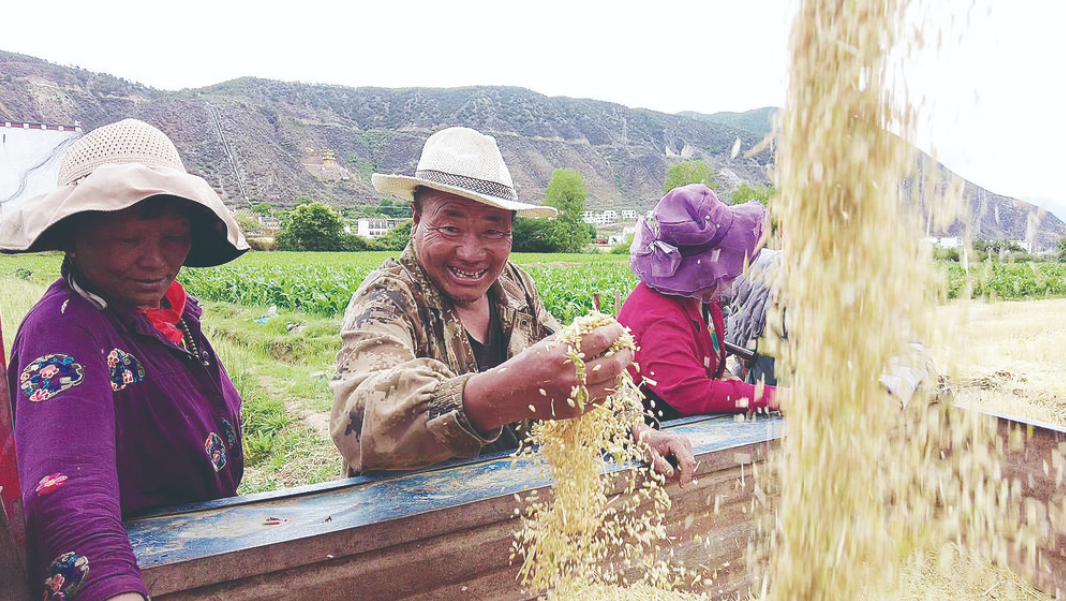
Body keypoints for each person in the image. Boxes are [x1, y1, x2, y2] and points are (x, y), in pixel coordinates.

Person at [330, 127, 695, 483]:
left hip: (509, 498)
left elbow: (577, 371)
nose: (471, 253)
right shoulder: (388, 297)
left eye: (492, 231)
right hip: (414, 510)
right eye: (450, 228)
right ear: (416, 219)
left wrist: (636, 431)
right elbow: (359, 421)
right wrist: (505, 393)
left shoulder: (514, 285)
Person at [0, 119, 250, 601]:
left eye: (173, 237)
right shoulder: (66, 330)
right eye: (127, 239)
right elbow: (67, 497)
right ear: (74, 237)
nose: (155, 260)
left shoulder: (171, 316)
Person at [618, 184, 779, 421]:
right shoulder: (658, 316)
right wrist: (779, 397)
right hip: (651, 428)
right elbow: (692, 395)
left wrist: (723, 376)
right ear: (703, 264)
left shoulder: (701, 297)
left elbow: (708, 360)